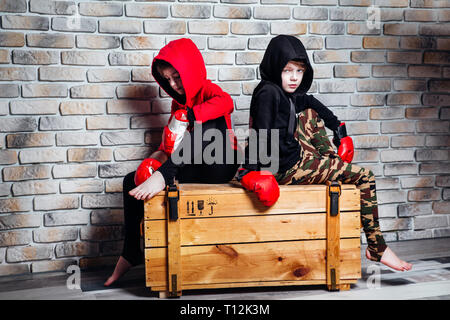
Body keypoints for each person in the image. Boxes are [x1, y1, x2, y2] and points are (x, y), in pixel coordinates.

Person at [238, 35, 412, 272]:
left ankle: (333, 167)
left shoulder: (282, 91)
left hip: (294, 156)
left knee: (309, 111)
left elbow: (311, 102)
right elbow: (261, 134)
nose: (293, 77)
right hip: (285, 169)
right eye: (287, 70)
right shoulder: (268, 93)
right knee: (365, 176)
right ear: (275, 65)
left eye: (299, 71)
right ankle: (376, 247)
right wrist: (258, 174)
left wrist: (340, 131)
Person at [104, 38, 241, 286]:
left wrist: (189, 115)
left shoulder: (209, 90)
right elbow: (169, 145)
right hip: (194, 164)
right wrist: (152, 162)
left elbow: (227, 103)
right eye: (167, 80)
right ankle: (131, 253)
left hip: (221, 162)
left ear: (190, 69)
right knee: (131, 180)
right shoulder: (177, 102)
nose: (173, 84)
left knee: (207, 123)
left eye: (177, 76)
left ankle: (163, 176)